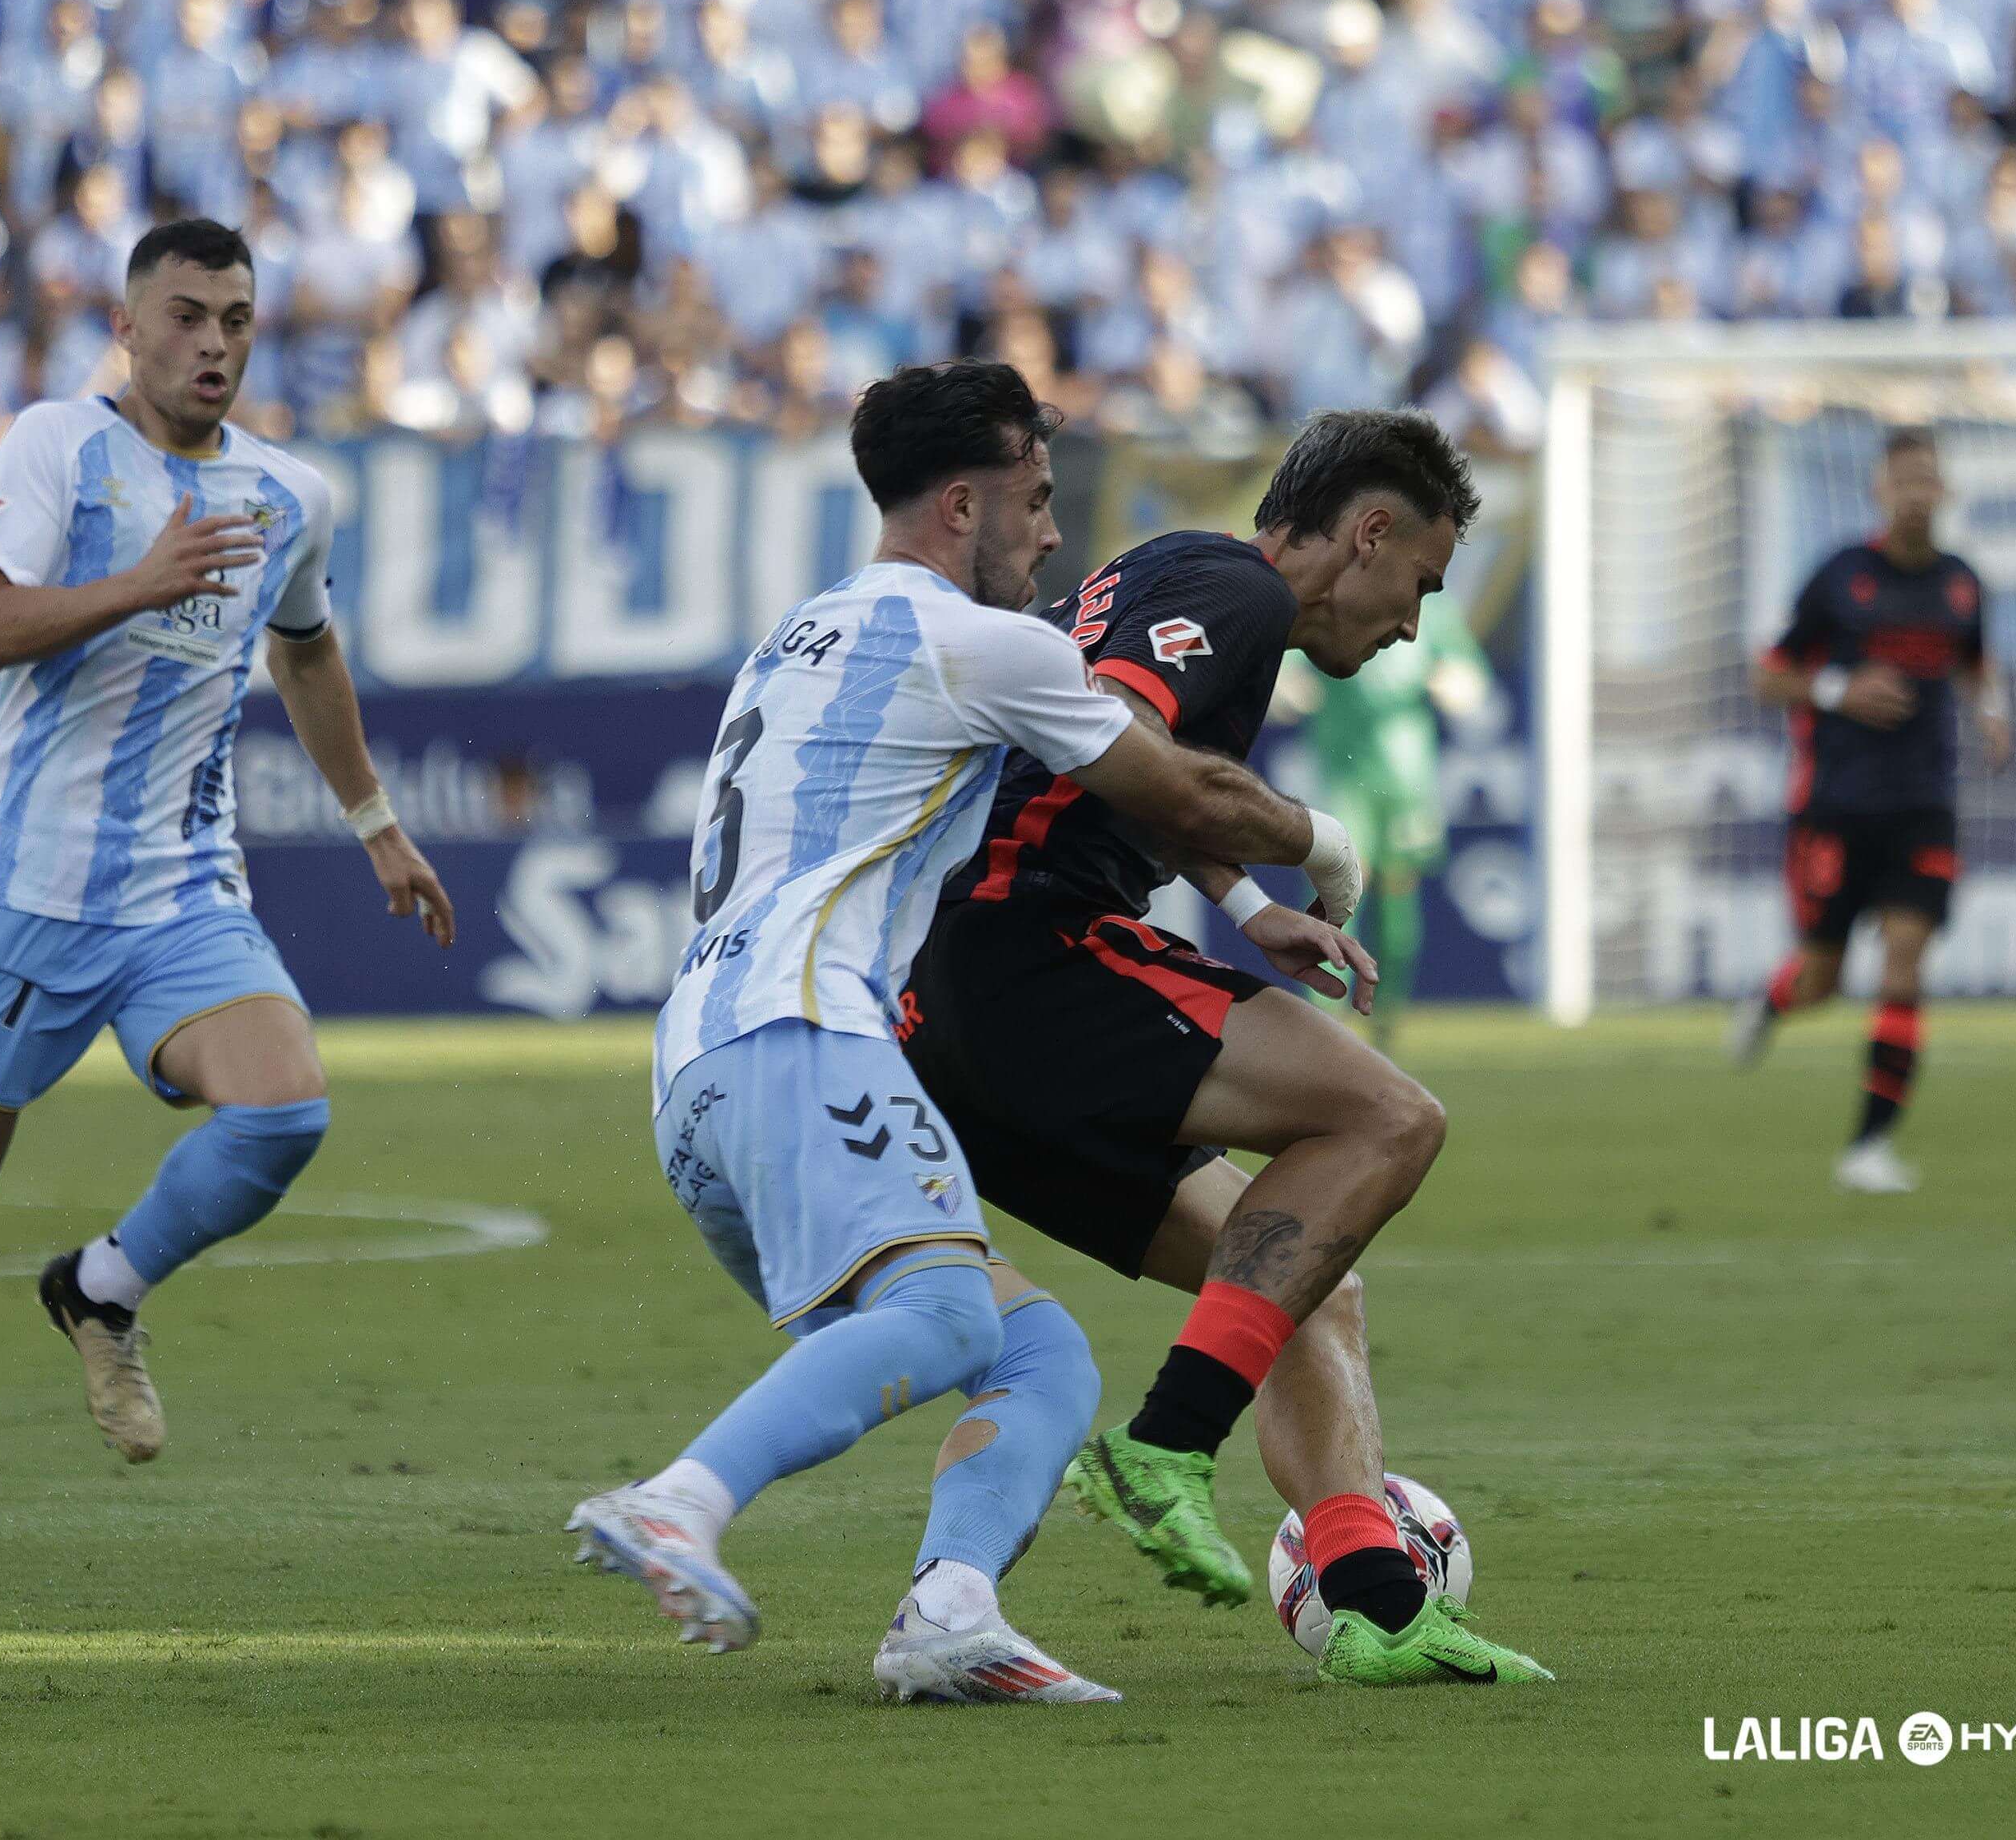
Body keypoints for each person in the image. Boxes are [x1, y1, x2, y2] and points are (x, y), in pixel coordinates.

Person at [565, 360, 1368, 1704]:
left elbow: (1111, 791)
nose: (1051, 537)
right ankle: (678, 1500)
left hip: (700, 1070)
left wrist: (1236, 903)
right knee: (942, 1315)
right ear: (959, 504)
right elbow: (1172, 784)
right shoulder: (981, 645)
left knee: (1037, 1354)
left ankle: (948, 1609)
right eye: (1035, 500)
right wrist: (1316, 845)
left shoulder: (804, 630)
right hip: (806, 1034)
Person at [0, 219, 456, 1560]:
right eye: (186, 316)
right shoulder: (55, 447)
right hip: (21, 891)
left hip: (179, 891)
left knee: (285, 1107)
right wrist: (137, 584)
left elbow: (307, 652)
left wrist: (375, 822)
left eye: (236, 320)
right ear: (127, 328)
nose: (213, 343)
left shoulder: (288, 495)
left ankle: (101, 1287)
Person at [899, 409, 1557, 1686]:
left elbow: (1135, 764)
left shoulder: (1175, 576)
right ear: (1367, 532)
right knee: (1388, 1119)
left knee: (1305, 1276)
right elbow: (1101, 725)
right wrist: (1312, 839)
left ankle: (1377, 1608)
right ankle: (1163, 1445)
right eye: (1419, 582)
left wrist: (1246, 902)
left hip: (952, 1023)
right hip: (1029, 955)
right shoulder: (1236, 591)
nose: (1413, 621)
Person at [1729, 427, 2012, 1193]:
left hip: (1922, 804)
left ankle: (1868, 1147)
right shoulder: (1840, 577)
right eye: (1903, 480)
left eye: (1927, 479)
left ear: (1944, 492)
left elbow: (1977, 664)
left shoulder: (1961, 584)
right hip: (1836, 805)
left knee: (1903, 960)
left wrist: (1992, 714)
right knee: (1821, 978)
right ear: (1879, 492)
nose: (1916, 493)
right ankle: (1772, 1001)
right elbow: (1767, 677)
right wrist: (1837, 690)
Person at [1281, 588, 1491, 1053]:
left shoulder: (1432, 611)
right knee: (1336, 892)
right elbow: (1284, 680)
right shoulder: (1330, 600)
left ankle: (1385, 1015)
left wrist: (1455, 684)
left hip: (1406, 779)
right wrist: (1291, 690)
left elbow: (1470, 682)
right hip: (1343, 776)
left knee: (1398, 898)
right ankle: (1325, 1022)